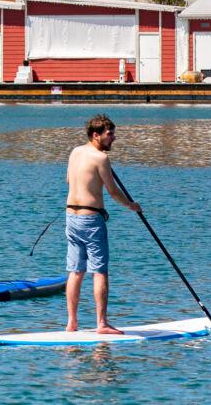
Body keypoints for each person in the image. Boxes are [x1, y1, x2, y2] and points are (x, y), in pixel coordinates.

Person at [64, 114, 141, 334]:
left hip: (71, 216)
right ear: (96, 135)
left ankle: (72, 323)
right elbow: (113, 191)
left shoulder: (75, 152)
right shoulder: (101, 159)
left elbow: (69, 180)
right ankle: (102, 324)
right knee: (99, 271)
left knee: (75, 271)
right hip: (91, 219)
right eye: (110, 134)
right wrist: (131, 206)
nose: (113, 138)